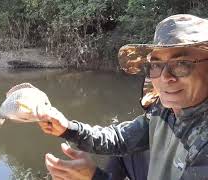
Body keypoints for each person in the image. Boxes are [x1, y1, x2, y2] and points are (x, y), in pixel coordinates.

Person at [36, 14, 208, 180]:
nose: (164, 77)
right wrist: (68, 128)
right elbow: (121, 138)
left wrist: (95, 177)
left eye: (181, 64)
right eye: (156, 65)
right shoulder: (165, 109)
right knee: (124, 152)